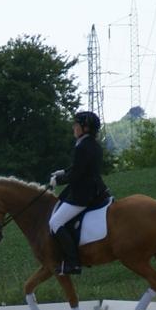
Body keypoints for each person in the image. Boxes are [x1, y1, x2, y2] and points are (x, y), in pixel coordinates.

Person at [48, 111, 111, 275]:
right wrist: (63, 171)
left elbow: (77, 174)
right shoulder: (93, 144)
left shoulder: (82, 146)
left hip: (82, 194)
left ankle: (73, 263)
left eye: (76, 125)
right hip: (97, 189)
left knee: (55, 222)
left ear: (85, 128)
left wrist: (58, 181)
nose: (73, 128)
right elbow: (79, 167)